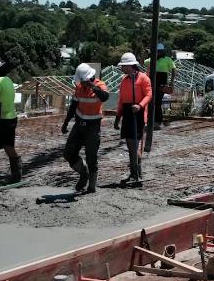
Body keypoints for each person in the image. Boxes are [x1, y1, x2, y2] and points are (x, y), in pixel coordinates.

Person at [61, 63, 109, 194]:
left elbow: (105, 97)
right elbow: (73, 106)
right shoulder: (79, 87)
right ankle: (84, 173)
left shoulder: (100, 85)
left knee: (91, 156)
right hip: (79, 125)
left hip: (93, 127)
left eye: (83, 80)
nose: (81, 82)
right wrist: (65, 123)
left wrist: (93, 87)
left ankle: (91, 186)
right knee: (68, 154)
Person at [114, 52, 154, 187]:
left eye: (124, 66)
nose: (122, 68)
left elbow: (149, 95)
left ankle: (137, 172)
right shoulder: (124, 81)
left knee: (136, 146)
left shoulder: (143, 79)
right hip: (127, 113)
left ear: (131, 65)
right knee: (130, 145)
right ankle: (134, 172)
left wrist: (140, 105)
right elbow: (121, 100)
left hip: (138, 113)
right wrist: (118, 116)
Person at [0, 62, 20, 184]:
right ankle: (16, 173)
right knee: (7, 145)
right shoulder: (8, 80)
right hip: (11, 116)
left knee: (8, 146)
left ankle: (17, 174)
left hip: (4, 119)